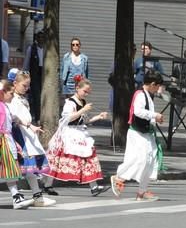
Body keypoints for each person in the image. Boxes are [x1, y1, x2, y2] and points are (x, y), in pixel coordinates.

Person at [45, 78, 109, 196]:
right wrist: (83, 110)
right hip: (69, 133)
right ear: (77, 88)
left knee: (88, 156)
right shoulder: (70, 102)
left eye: (88, 92)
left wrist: (99, 116)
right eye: (85, 91)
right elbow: (68, 118)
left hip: (80, 132)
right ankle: (48, 184)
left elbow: (85, 120)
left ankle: (94, 187)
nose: (86, 94)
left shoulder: (83, 102)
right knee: (58, 159)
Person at [110, 70, 164, 202]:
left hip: (145, 132)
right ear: (152, 84)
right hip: (137, 133)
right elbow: (138, 112)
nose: (158, 89)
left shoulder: (148, 95)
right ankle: (119, 177)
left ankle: (142, 191)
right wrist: (154, 116)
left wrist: (154, 119)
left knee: (149, 161)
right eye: (157, 86)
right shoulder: (140, 94)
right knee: (139, 159)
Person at [9, 71, 55, 206]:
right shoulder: (12, 99)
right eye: (24, 85)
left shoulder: (22, 98)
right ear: (15, 84)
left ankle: (37, 195)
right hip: (18, 134)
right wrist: (29, 126)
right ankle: (20, 196)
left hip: (26, 133)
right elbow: (15, 117)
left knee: (30, 168)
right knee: (19, 167)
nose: (27, 88)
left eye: (28, 86)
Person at [0, 79, 32, 209]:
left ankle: (16, 197)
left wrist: (29, 125)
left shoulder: (6, 107)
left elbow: (14, 119)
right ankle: (16, 197)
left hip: (7, 139)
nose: (13, 96)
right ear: (2, 93)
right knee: (9, 169)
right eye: (11, 93)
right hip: (2, 140)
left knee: (9, 169)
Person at [22, 30, 45, 121]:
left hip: (44, 74)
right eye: (39, 37)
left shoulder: (47, 49)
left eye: (42, 37)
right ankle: (36, 117)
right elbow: (26, 63)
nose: (41, 39)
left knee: (43, 96)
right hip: (35, 74)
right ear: (36, 38)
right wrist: (24, 74)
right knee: (36, 96)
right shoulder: (31, 48)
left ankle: (42, 116)